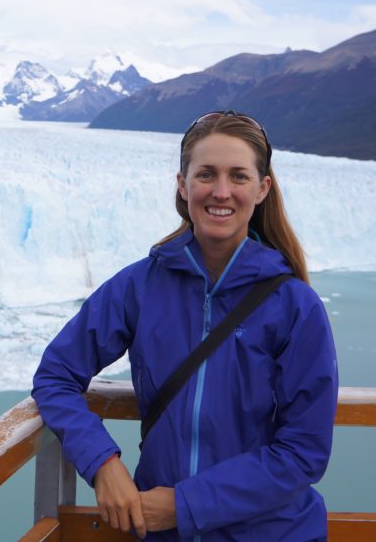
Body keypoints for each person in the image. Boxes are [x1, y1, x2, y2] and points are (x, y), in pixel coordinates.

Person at [32, 110, 338, 541]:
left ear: (263, 188)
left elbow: (304, 452)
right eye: (206, 174)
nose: (221, 191)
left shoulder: (293, 305)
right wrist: (103, 463)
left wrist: (185, 504)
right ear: (182, 183)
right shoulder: (139, 287)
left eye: (239, 177)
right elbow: (56, 375)